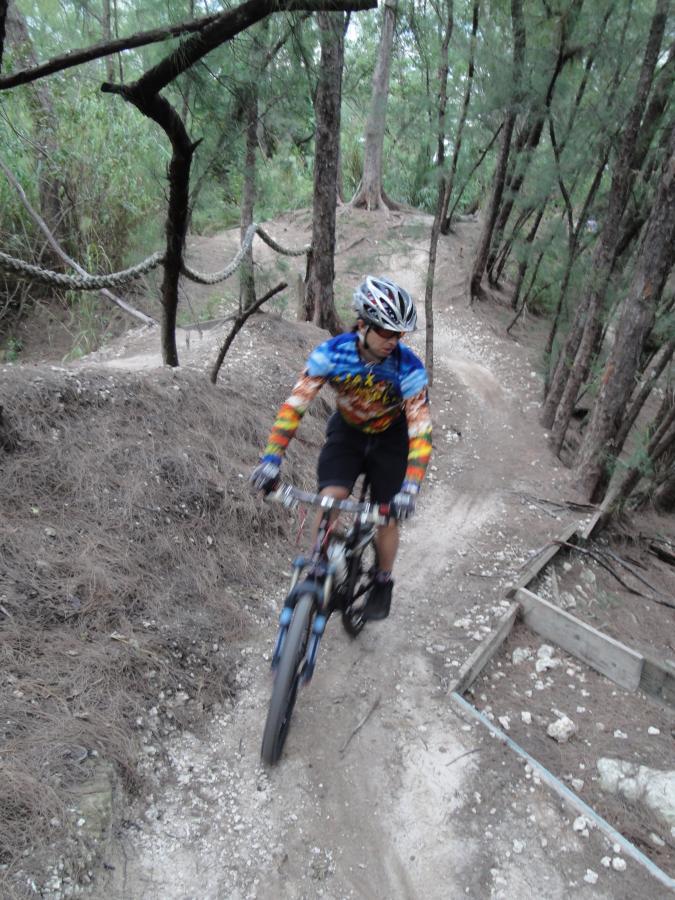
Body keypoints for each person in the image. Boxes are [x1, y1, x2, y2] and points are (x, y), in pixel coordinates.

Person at [250, 275, 432, 621]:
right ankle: (320, 565)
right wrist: (271, 460)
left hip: (392, 440)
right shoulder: (331, 354)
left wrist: (410, 487)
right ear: (362, 324)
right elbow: (295, 405)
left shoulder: (408, 368)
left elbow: (421, 428)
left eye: (400, 334)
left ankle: (382, 580)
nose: (395, 341)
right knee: (330, 496)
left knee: (388, 514)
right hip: (348, 432)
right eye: (387, 332)